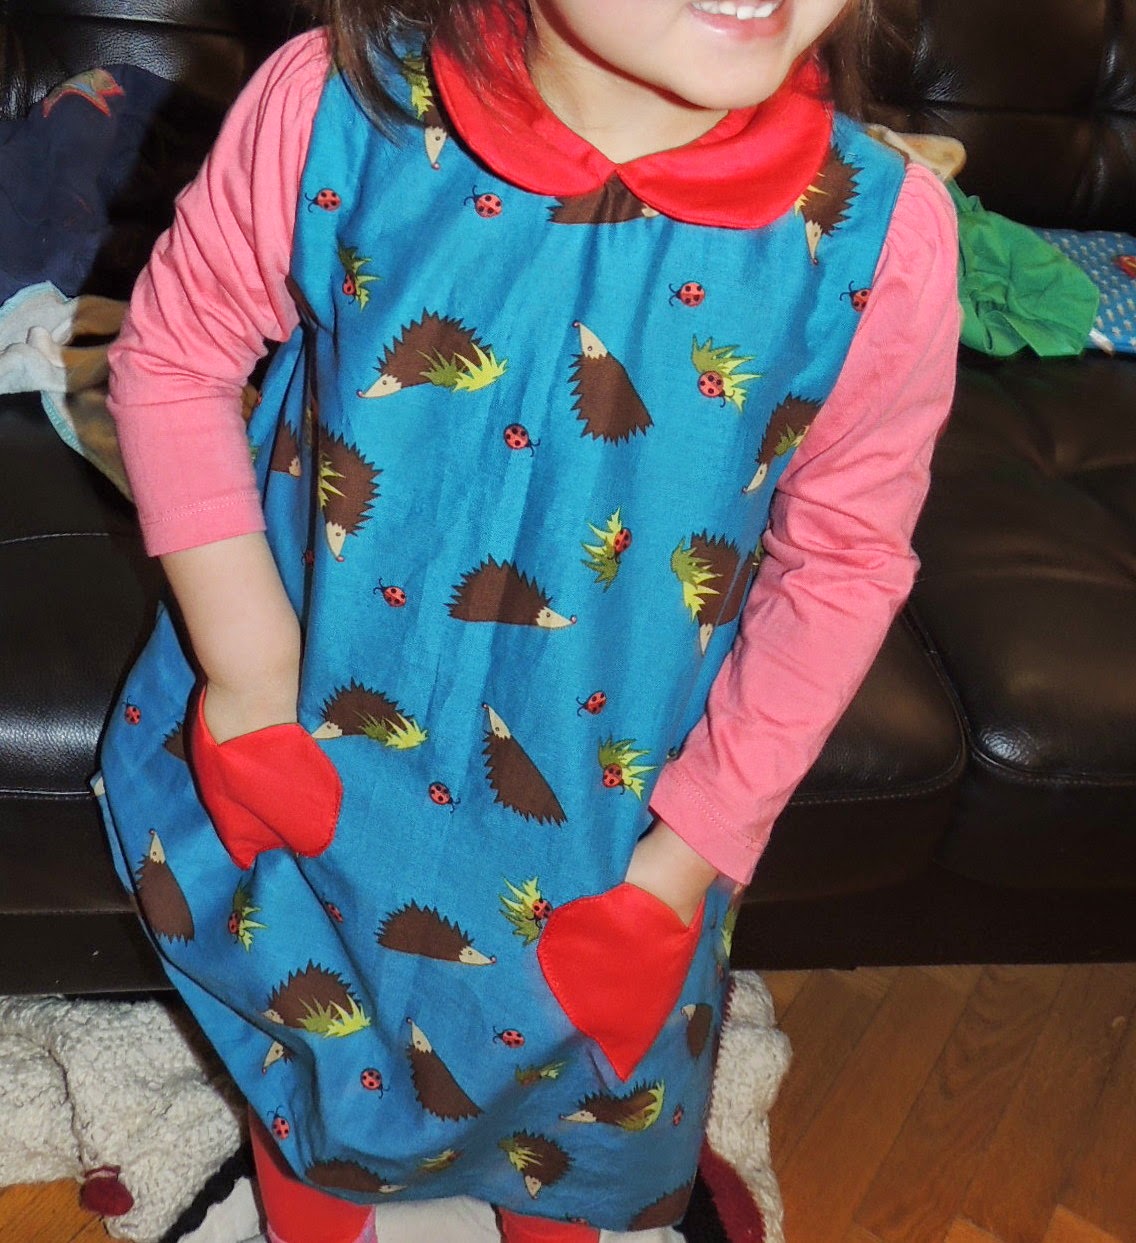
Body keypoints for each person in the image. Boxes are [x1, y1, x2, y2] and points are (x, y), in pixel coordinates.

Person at [97, 0, 959, 1240]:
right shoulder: (333, 107)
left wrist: (687, 856)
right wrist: (247, 675)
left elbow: (842, 563)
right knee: (307, 1040)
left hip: (600, 817)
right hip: (304, 740)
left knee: (574, 1113)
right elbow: (176, 357)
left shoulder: (883, 238)